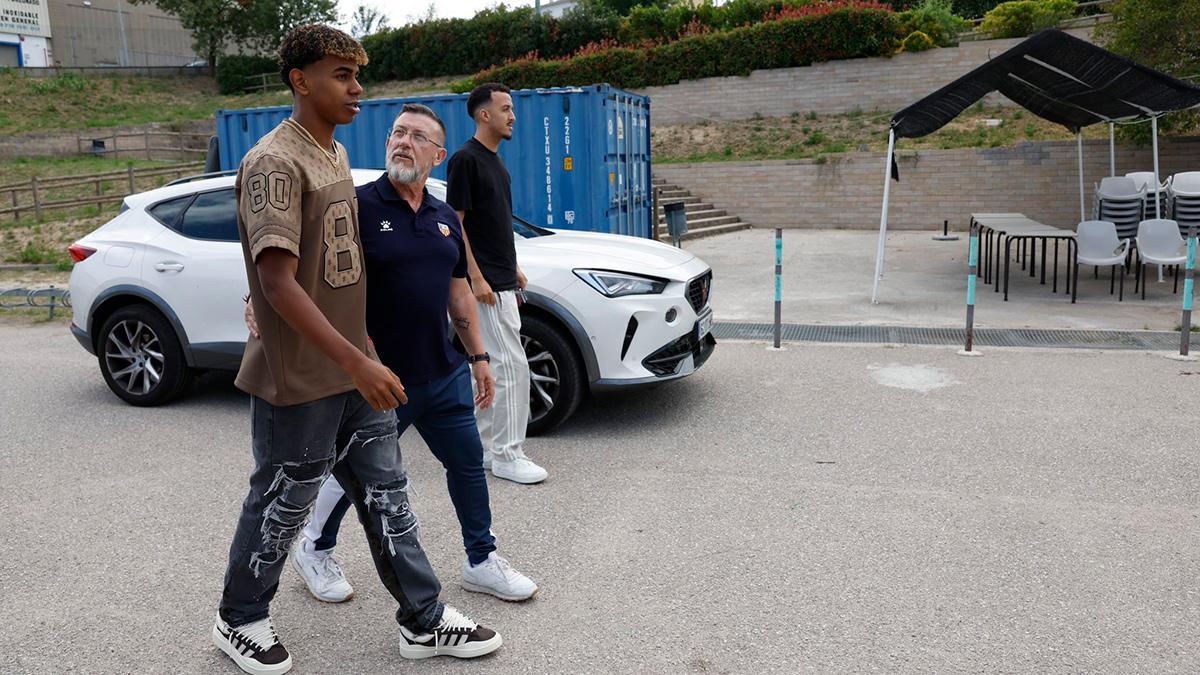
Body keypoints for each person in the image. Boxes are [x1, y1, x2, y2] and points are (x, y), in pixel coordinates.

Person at [212, 25, 500, 675]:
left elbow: (338, 270)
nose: (357, 87)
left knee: (387, 491)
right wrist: (355, 360)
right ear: (300, 81)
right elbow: (277, 281)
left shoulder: (334, 154)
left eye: (356, 74)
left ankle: (423, 621)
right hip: (303, 376)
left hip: (353, 366)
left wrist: (366, 344)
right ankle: (240, 618)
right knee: (284, 501)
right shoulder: (273, 161)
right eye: (341, 75)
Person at [254, 104, 539, 604]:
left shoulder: (444, 216)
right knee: (353, 476)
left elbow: (458, 296)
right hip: (377, 377)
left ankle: (481, 560)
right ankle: (314, 548)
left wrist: (479, 358)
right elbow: (292, 259)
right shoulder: (357, 206)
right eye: (398, 133)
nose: (404, 142)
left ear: (437, 154)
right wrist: (252, 300)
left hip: (442, 370)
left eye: (417, 137)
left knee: (469, 465)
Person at [447, 82, 548, 485]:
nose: (513, 116)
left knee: (497, 368)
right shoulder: (465, 160)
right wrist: (474, 275)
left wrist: (514, 266)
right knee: (509, 368)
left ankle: (488, 448)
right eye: (505, 108)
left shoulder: (496, 162)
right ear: (483, 114)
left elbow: (495, 224)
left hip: (503, 280)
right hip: (484, 286)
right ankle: (508, 454)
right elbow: (457, 224)